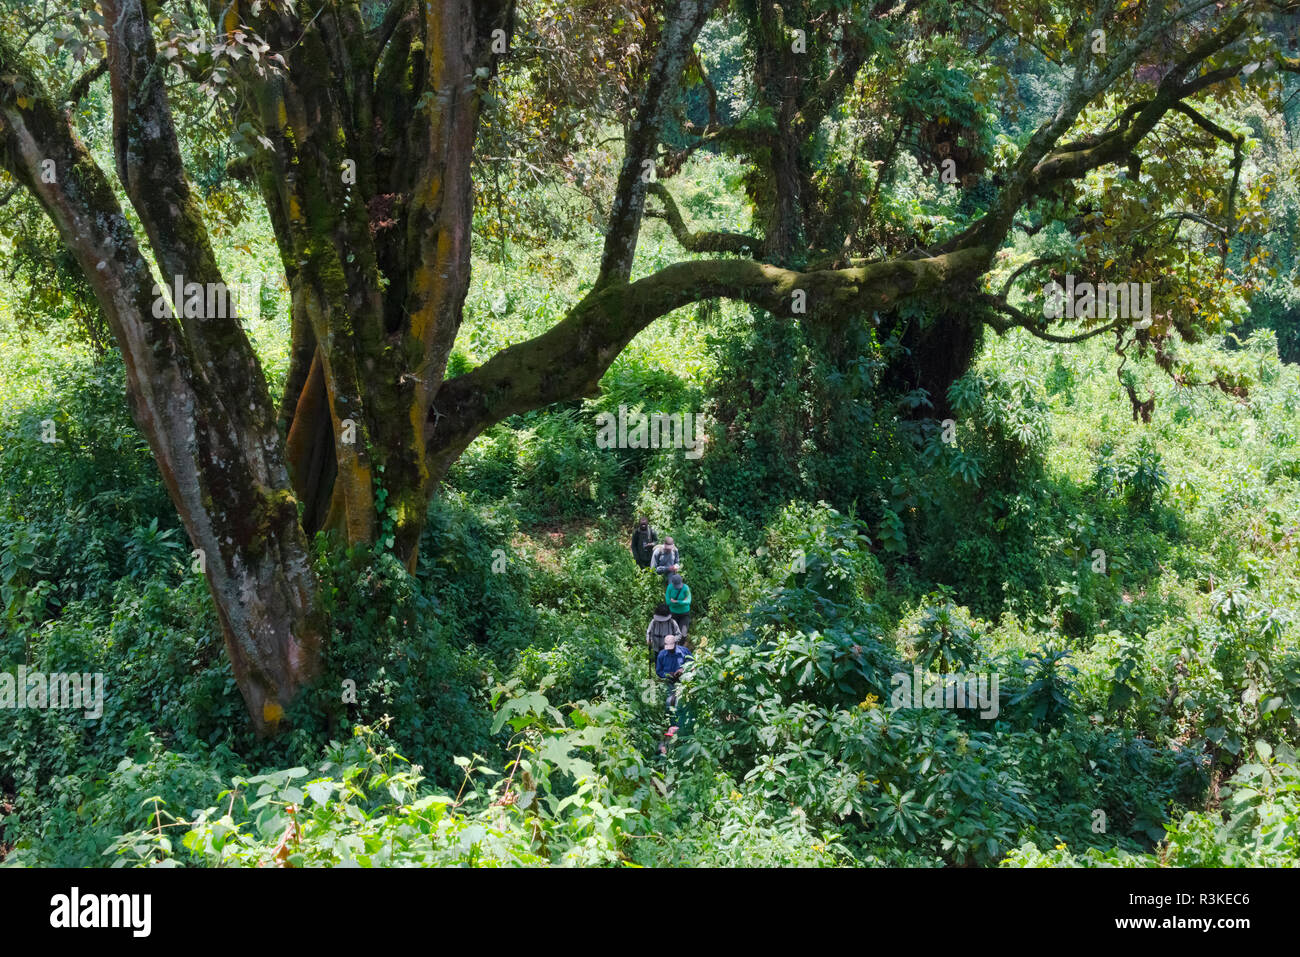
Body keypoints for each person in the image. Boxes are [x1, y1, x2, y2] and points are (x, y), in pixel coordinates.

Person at [656, 632, 692, 708]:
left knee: (681, 703)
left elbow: (692, 664)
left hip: (683, 681)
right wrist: (668, 674)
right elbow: (659, 671)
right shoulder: (662, 655)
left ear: (676, 643)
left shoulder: (684, 652)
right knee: (669, 702)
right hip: (669, 682)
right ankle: (670, 717)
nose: (670, 650)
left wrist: (682, 670)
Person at [645, 603, 682, 675]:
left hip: (669, 649)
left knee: (669, 665)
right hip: (657, 648)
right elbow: (649, 632)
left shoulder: (672, 622)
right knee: (658, 665)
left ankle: (671, 678)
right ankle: (659, 678)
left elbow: (679, 634)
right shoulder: (654, 622)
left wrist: (672, 640)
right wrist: (648, 640)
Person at [665, 573, 692, 638]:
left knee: (683, 633)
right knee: (672, 633)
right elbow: (668, 602)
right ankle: (672, 647)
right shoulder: (670, 587)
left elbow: (688, 601)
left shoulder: (686, 588)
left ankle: (681, 647)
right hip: (673, 614)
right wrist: (683, 601)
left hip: (684, 614)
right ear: (672, 583)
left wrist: (677, 601)